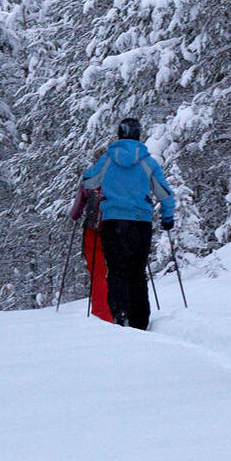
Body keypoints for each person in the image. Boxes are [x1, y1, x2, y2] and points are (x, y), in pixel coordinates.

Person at [80, 118, 175, 329]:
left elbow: (89, 182)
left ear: (120, 134)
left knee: (116, 271)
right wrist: (167, 217)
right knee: (137, 272)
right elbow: (165, 194)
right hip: (140, 224)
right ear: (138, 135)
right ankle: (140, 320)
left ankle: (118, 315)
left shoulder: (106, 160)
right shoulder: (147, 162)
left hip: (112, 223)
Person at [69, 146, 112, 323]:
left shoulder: (90, 176)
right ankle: (123, 310)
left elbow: (76, 210)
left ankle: (102, 315)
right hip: (118, 229)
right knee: (121, 271)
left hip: (93, 232)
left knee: (98, 273)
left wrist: (75, 215)